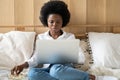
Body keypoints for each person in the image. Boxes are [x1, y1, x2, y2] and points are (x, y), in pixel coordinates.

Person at [11, 1, 95, 80]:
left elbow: (81, 58)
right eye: (51, 22)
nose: (54, 25)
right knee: (32, 73)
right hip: (47, 69)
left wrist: (63, 55)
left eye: (58, 22)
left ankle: (86, 77)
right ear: (47, 22)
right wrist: (22, 65)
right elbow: (36, 58)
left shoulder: (69, 37)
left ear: (63, 22)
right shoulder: (41, 37)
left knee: (55, 70)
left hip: (63, 69)